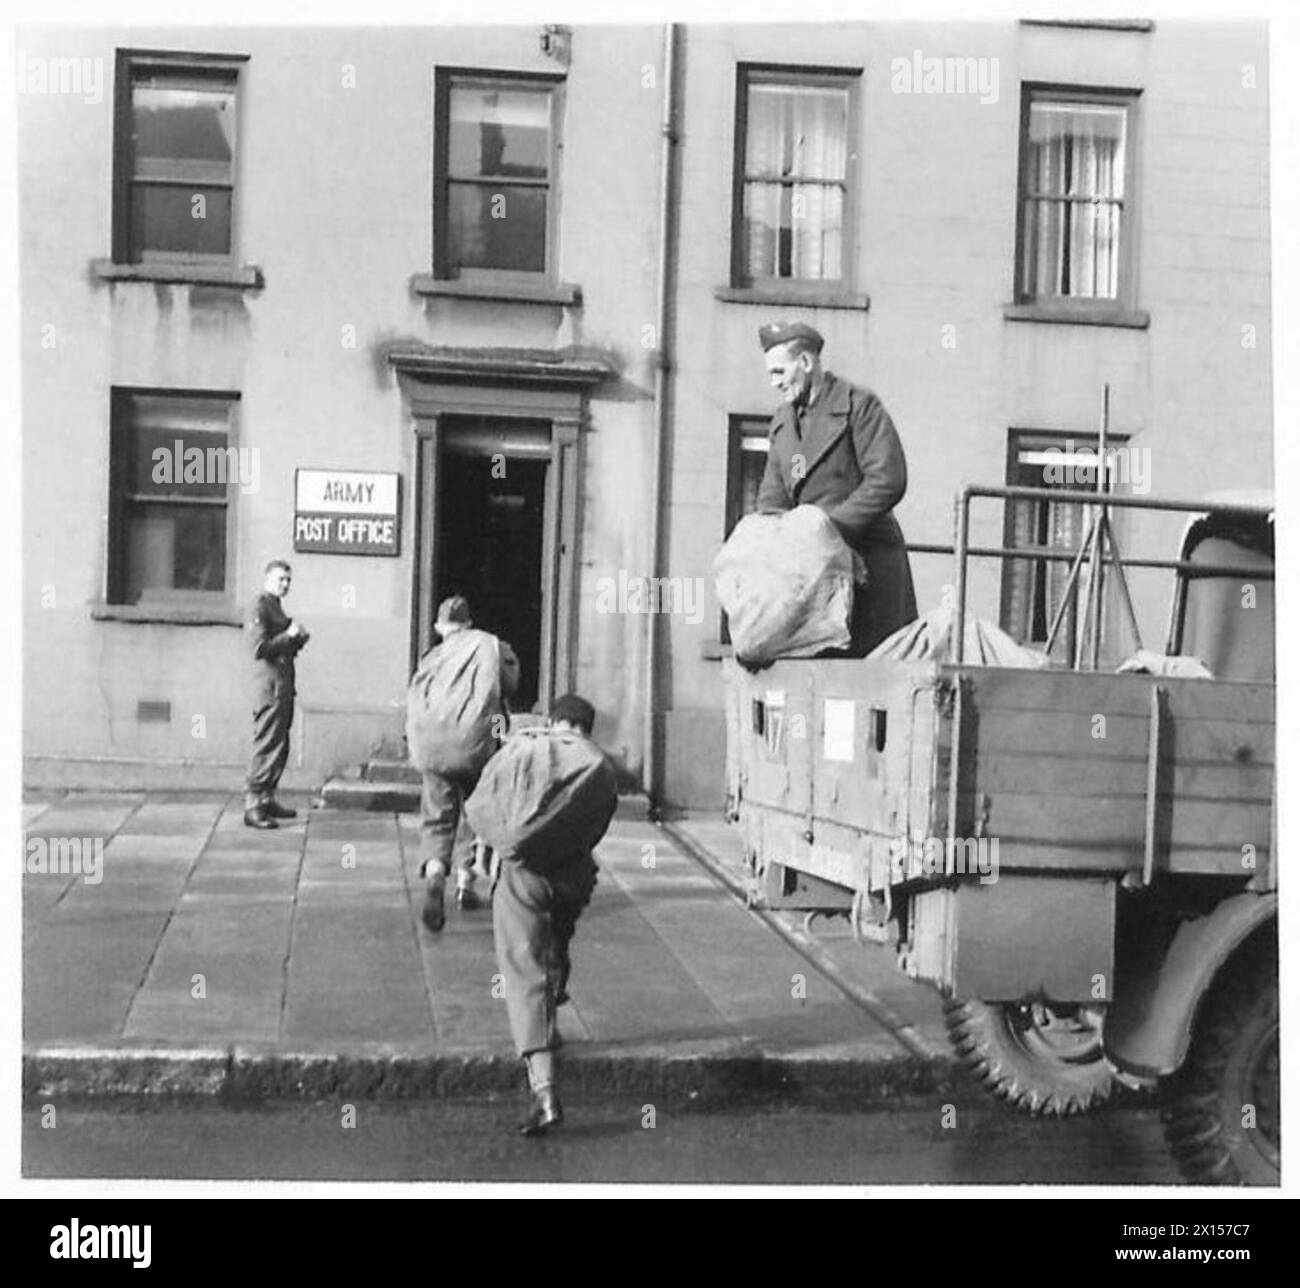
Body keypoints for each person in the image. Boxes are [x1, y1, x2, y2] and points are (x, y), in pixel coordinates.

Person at [484, 693, 618, 1137]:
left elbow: (489, 802)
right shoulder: (599, 768)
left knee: (523, 970)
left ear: (553, 719)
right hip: (574, 875)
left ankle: (543, 1091)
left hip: (524, 877)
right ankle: (556, 980)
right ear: (587, 728)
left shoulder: (528, 747)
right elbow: (597, 828)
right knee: (556, 937)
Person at [756, 321, 919, 655]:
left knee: (872, 670)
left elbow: (887, 479)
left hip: (868, 567)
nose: (774, 383)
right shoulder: (784, 424)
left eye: (779, 372)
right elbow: (772, 501)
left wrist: (828, 529)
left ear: (805, 362)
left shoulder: (858, 406)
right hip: (811, 574)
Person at [412, 596, 519, 932]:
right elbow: (511, 684)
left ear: (439, 627)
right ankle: (465, 882)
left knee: (436, 817)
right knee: (474, 811)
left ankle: (434, 875)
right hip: (475, 745)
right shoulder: (491, 645)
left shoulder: (431, 657)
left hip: (433, 748)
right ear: (469, 623)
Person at [245, 560, 309, 829]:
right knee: (267, 743)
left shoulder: (275, 606)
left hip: (282, 685)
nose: (285, 584)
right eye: (280, 579)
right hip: (270, 687)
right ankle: (253, 805)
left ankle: (267, 798)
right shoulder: (259, 606)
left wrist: (298, 638)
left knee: (280, 744)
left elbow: (281, 645)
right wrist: (288, 635)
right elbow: (259, 648)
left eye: (288, 580)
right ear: (267, 578)